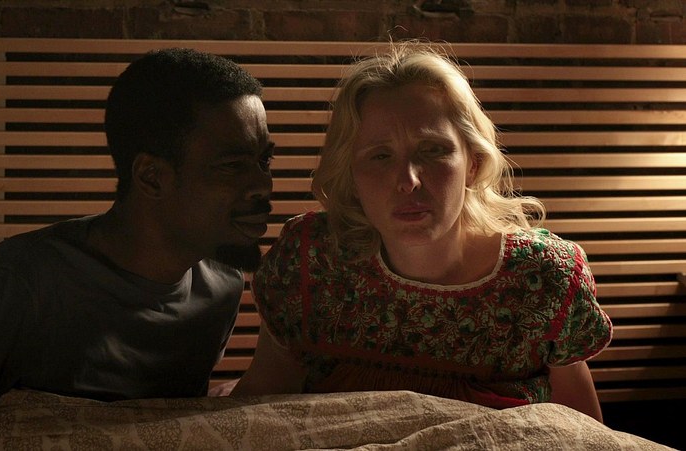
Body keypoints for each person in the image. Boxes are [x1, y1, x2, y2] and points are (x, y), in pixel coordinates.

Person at [0, 48, 275, 450]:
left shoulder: (221, 287)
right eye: (232, 165)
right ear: (151, 177)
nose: (264, 185)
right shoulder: (20, 284)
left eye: (265, 160)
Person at [232, 42, 612, 422]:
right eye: (381, 156)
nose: (408, 180)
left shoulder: (542, 278)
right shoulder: (310, 262)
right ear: (352, 175)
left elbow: (584, 432)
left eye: (432, 150)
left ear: (473, 164)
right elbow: (262, 401)